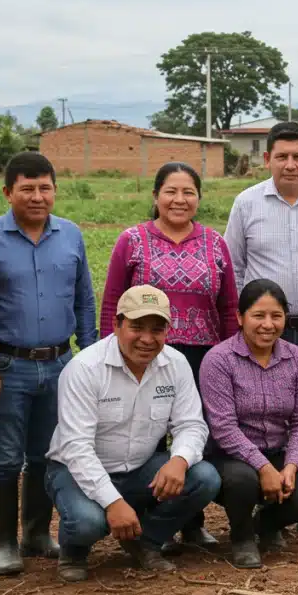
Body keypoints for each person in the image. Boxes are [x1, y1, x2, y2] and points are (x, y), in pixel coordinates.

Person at [100, 162, 237, 553]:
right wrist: (113, 356)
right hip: (145, 355)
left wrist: (230, 359)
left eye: (188, 192)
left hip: (204, 356)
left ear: (198, 198)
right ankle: (146, 518)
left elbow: (228, 307)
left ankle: (191, 522)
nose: (180, 200)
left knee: (196, 437)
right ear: (156, 196)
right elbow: (113, 301)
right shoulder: (133, 240)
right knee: (150, 436)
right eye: (171, 191)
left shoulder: (215, 243)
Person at [46, 285, 221, 582]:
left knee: (204, 477)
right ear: (116, 325)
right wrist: (113, 503)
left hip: (139, 468)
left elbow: (191, 424)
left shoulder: (176, 364)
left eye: (157, 329)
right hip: (77, 470)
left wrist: (179, 460)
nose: (147, 339)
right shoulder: (85, 369)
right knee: (89, 522)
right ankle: (74, 549)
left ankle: (145, 541)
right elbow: (77, 449)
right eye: (137, 327)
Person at [0, 152, 98, 576]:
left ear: (55, 190)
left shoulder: (71, 235)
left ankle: (35, 533)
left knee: (48, 455)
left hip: (61, 363)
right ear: (7, 191)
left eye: (44, 187)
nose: (37, 196)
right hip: (9, 365)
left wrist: (90, 353)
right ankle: (6, 543)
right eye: (27, 188)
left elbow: (84, 298)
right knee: (6, 458)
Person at [224, 122, 298, 535]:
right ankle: (254, 491)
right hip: (262, 331)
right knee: (252, 415)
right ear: (267, 160)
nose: (290, 165)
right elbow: (234, 268)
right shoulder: (246, 203)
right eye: (282, 156)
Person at [200, 279, 298, 567]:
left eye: (276, 316)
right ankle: (242, 537)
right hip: (230, 456)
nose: (267, 324)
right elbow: (224, 428)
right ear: (240, 317)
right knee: (243, 481)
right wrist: (264, 467)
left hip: (278, 451)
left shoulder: (296, 358)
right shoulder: (219, 360)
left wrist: (291, 466)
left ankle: (266, 525)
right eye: (258, 315)